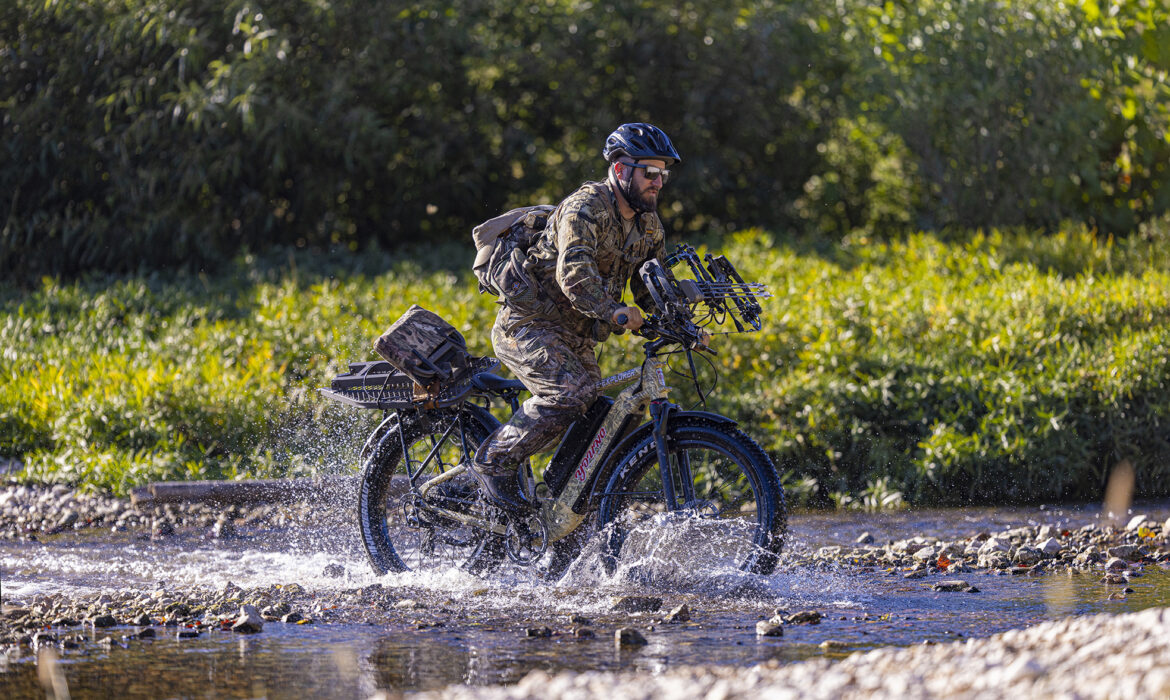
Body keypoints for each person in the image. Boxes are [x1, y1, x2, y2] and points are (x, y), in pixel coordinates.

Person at [467, 123, 682, 511]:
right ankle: (491, 463)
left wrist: (682, 323)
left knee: (600, 413)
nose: (658, 183)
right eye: (650, 173)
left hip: (575, 338)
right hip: (528, 326)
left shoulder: (649, 227)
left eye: (663, 174)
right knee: (571, 394)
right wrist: (616, 312)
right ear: (621, 170)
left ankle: (561, 510)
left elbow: (651, 288)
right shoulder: (584, 208)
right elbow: (574, 275)